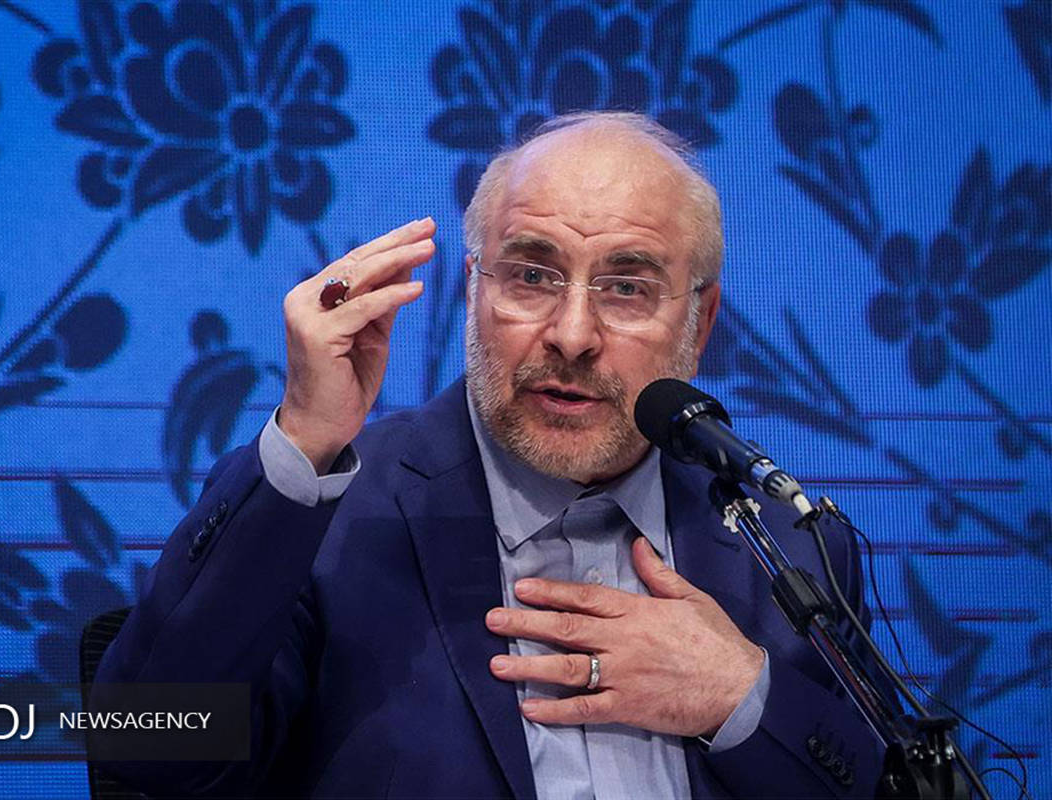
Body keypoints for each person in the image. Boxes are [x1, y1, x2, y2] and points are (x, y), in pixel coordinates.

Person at [95, 111, 885, 798]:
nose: (571, 336)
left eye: (625, 288)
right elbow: (150, 745)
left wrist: (740, 700)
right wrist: (305, 437)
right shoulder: (330, 518)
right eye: (533, 276)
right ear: (475, 291)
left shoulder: (788, 547)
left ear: (700, 322)